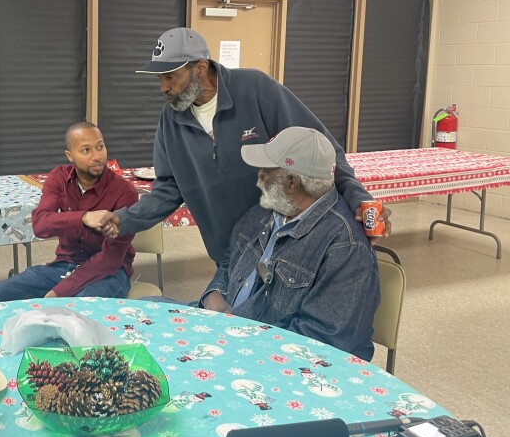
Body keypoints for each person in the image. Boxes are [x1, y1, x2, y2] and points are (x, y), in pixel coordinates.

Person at [86, 27, 388, 268]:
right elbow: (167, 189)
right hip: (230, 255)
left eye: (170, 76)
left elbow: (320, 148)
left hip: (288, 245)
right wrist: (123, 219)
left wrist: (358, 197)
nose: (163, 88)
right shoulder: (171, 120)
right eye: (160, 78)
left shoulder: (256, 90)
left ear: (200, 68)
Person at [200, 127, 380, 359]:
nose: (259, 176)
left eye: (267, 170)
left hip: (266, 358)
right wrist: (214, 294)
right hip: (225, 331)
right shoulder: (266, 212)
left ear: (293, 182)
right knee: (146, 312)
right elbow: (230, 259)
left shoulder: (346, 247)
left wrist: (238, 340)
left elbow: (323, 342)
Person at [0, 122, 138, 302]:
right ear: (70, 156)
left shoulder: (125, 192)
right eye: (86, 150)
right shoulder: (59, 177)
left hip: (109, 272)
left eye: (100, 147)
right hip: (64, 265)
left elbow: (110, 259)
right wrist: (83, 218)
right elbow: (40, 225)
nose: (97, 156)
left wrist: (60, 292)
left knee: (76, 308)